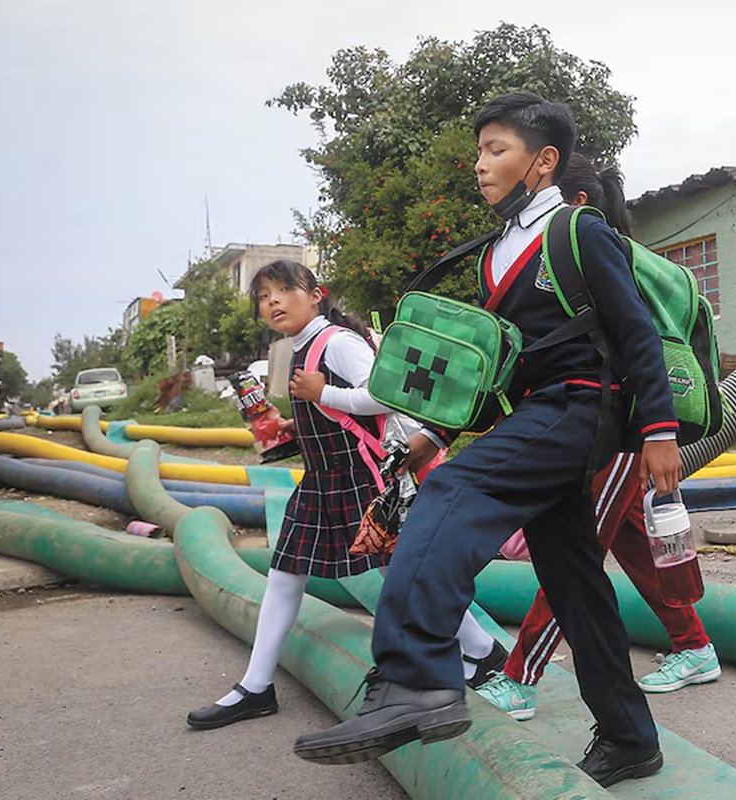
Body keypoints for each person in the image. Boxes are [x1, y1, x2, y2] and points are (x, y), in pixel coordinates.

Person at [293, 92, 681, 789]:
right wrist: (433, 432)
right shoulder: (498, 252)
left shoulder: (576, 231)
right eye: (479, 151)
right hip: (535, 413)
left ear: (544, 161)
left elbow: (636, 336)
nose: (480, 165)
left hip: (579, 411)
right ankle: (630, 737)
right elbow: (495, 365)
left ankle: (416, 679)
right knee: (573, 582)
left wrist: (658, 431)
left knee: (453, 491)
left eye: (496, 149)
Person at [186, 261, 506, 731]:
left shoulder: (335, 341)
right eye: (263, 295)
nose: (273, 301)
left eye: (284, 290)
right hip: (321, 479)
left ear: (317, 294)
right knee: (286, 574)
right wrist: (295, 427)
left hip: (362, 477)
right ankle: (256, 686)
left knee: (404, 569)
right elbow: (335, 412)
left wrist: (324, 396)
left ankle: (482, 650)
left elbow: (389, 394)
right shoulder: (298, 348)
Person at [477, 154, 720, 722]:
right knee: (631, 539)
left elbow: (636, 347)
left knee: (573, 556)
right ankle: (695, 646)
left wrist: (655, 433)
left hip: (615, 428)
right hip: (609, 427)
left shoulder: (591, 249)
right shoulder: (583, 256)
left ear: (578, 205)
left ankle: (519, 678)